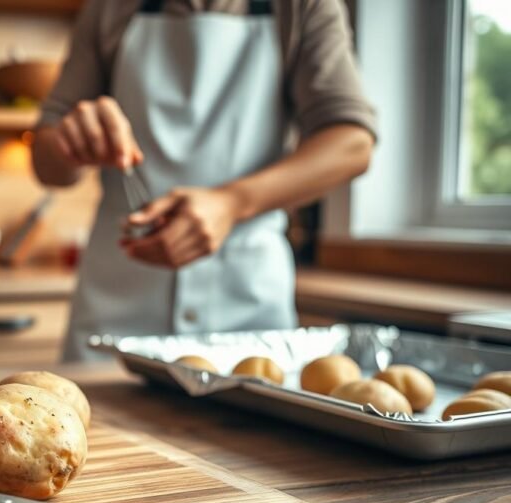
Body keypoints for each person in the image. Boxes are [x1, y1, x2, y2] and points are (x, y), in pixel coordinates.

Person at [32, 0, 377, 361]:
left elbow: (352, 143)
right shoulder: (109, 8)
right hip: (114, 312)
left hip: (246, 316)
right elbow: (46, 161)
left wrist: (233, 203)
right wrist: (70, 141)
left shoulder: (303, 7)